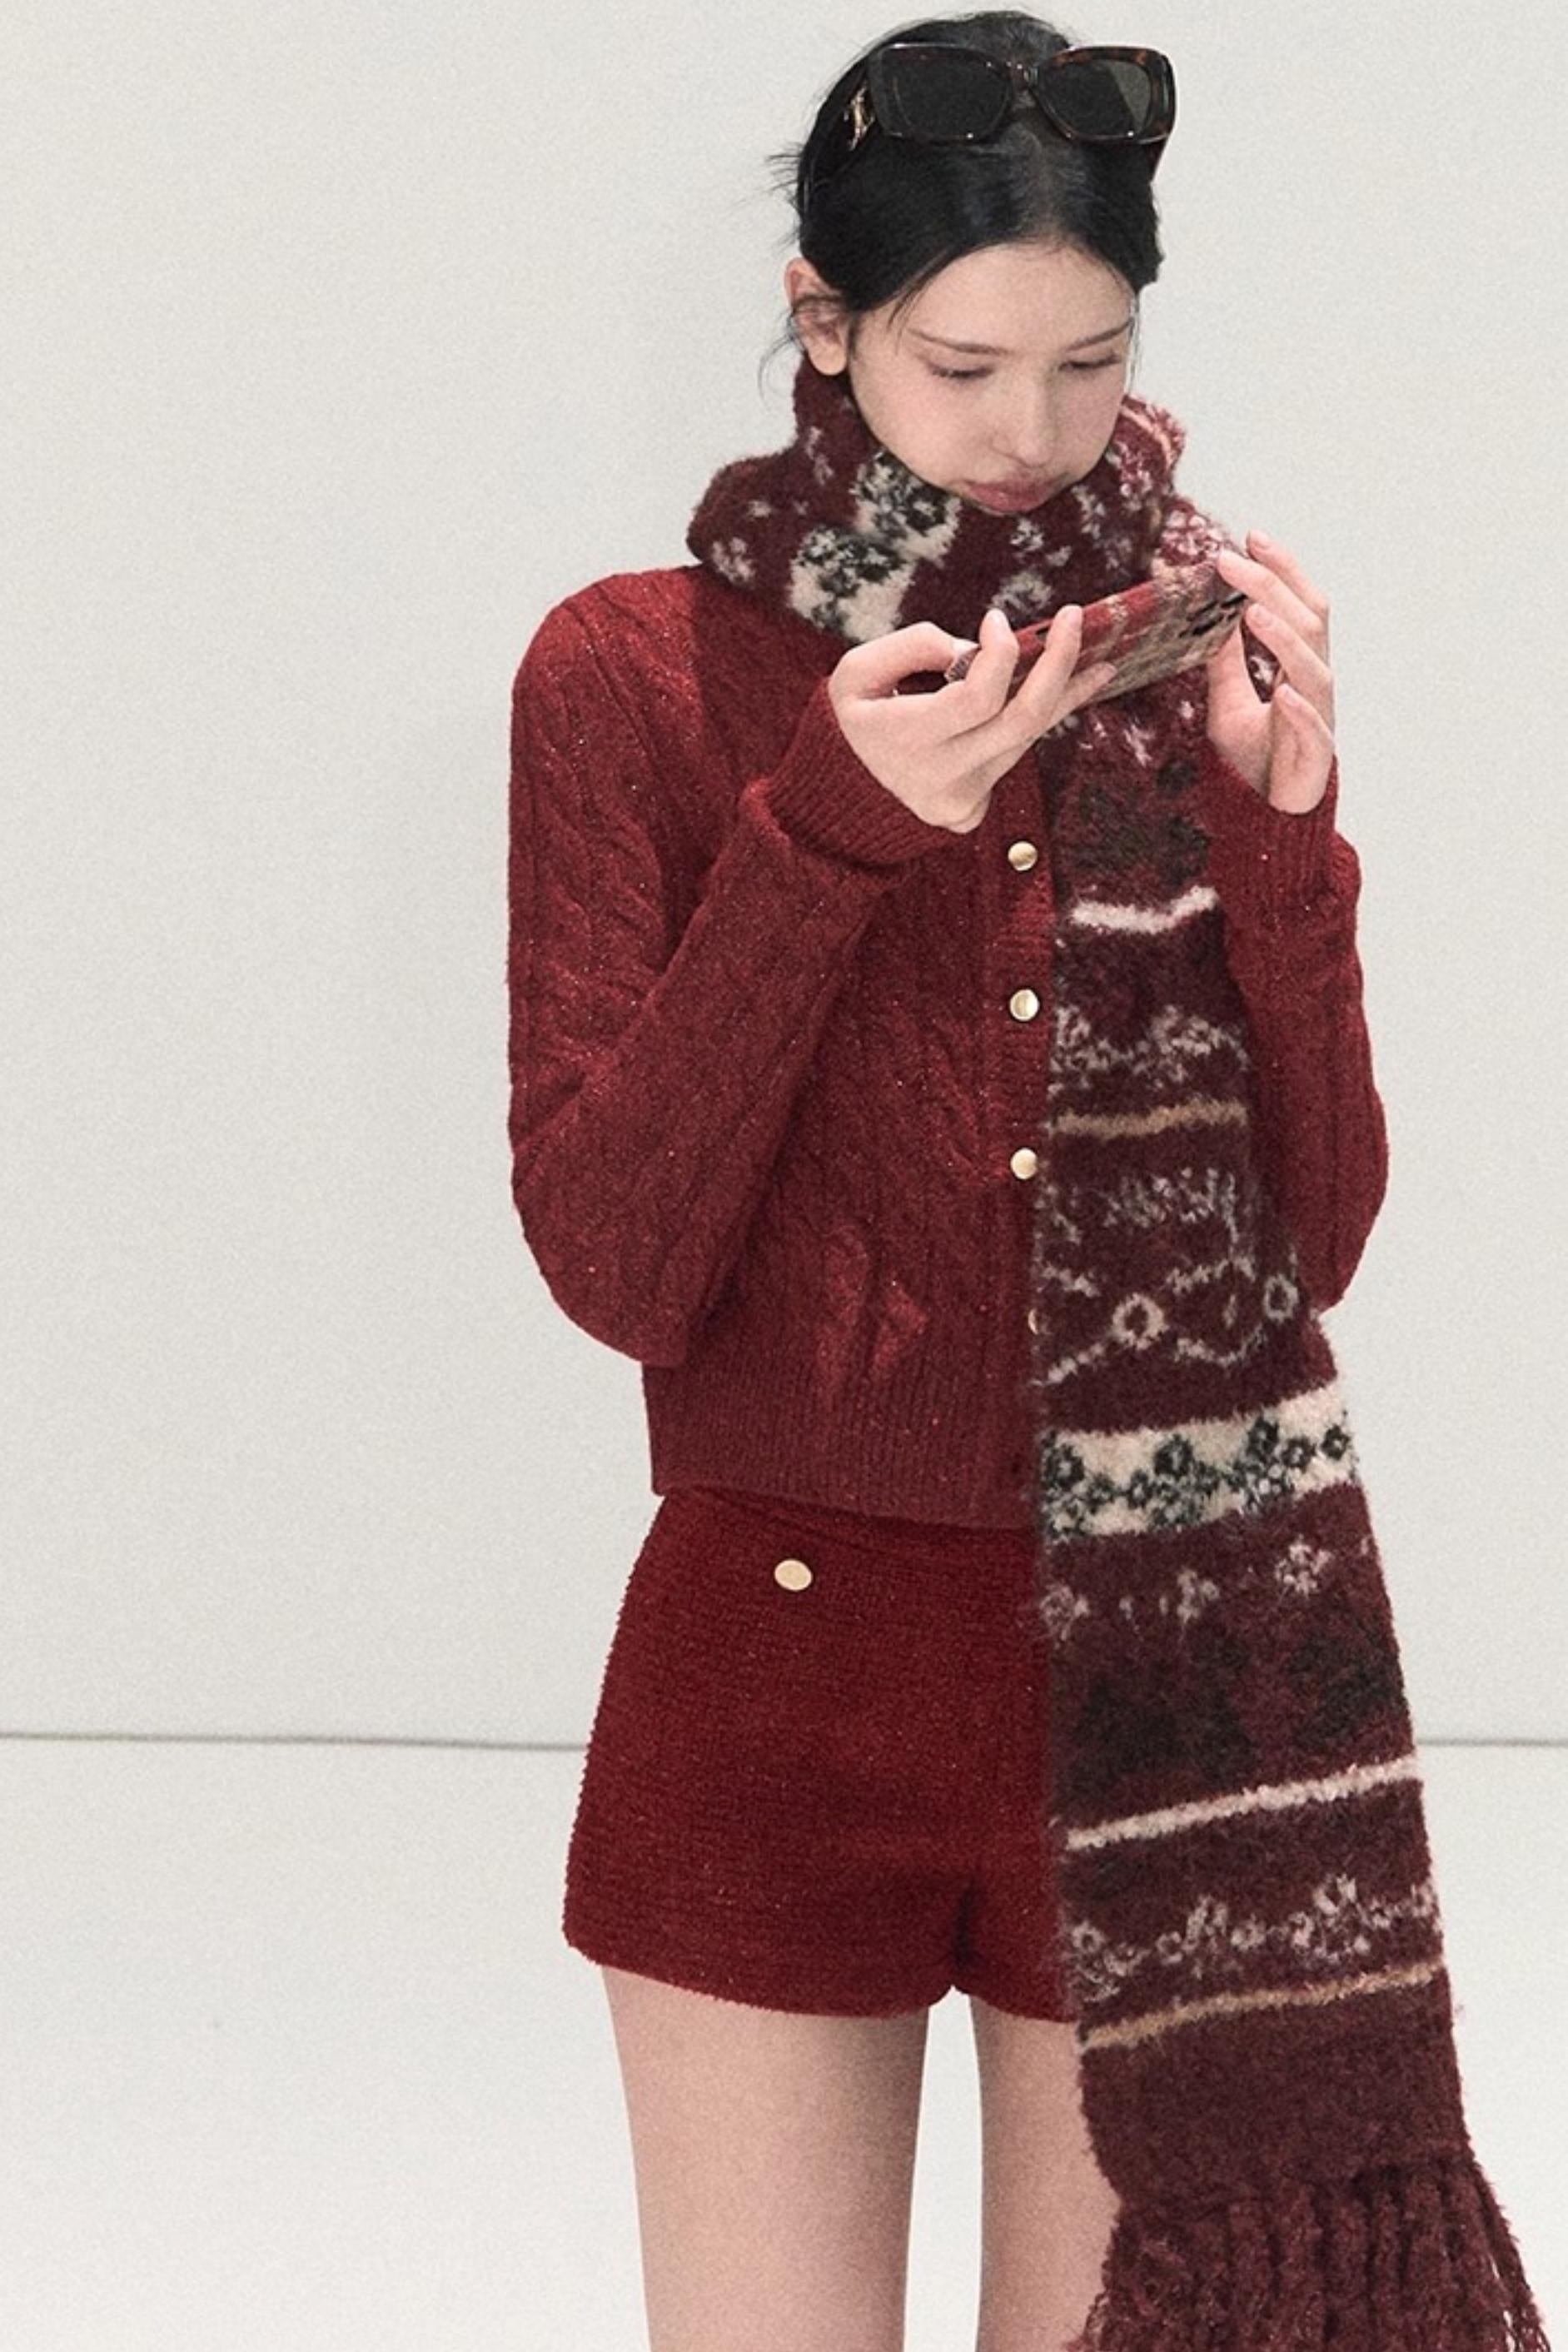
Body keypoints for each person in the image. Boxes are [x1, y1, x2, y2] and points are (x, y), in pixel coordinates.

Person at [506, 17, 1392, 2351]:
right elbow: (616, 1262)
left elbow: (1317, 1241)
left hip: (1162, 1687)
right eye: (963, 363)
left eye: (1091, 364)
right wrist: (828, 839)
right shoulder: (630, 677)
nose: (1030, 433)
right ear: (824, 320)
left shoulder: (1181, 668)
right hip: (775, 1670)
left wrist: (1282, 838)